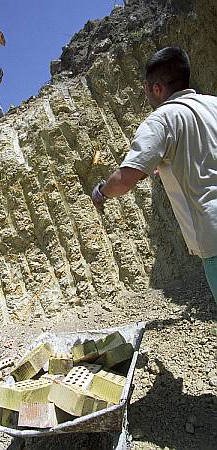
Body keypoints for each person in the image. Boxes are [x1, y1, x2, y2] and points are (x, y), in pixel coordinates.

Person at [92, 47, 217, 303]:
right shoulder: (213, 105)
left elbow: (124, 179)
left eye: (147, 88)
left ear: (157, 88)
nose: (147, 93)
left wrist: (101, 191)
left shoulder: (162, 119)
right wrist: (170, 166)